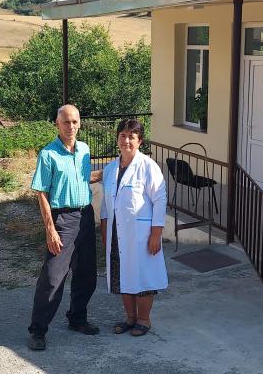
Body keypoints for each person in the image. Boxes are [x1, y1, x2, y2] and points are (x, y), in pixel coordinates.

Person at [27, 104, 103, 351]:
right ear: (57, 124)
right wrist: (50, 229)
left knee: (86, 274)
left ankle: (77, 319)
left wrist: (110, 171)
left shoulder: (84, 150)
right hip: (63, 221)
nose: (71, 126)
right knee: (52, 278)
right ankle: (38, 330)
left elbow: (82, 177)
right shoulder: (48, 154)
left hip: (86, 216)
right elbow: (42, 193)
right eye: (66, 122)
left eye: (75, 122)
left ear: (80, 123)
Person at [99, 119, 167, 337]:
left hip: (142, 235)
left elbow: (160, 199)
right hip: (116, 233)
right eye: (122, 135)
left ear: (140, 141)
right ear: (117, 138)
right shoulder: (110, 169)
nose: (126, 140)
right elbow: (106, 205)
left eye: (131, 136)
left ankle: (144, 320)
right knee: (122, 275)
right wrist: (104, 232)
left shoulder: (148, 166)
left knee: (143, 276)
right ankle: (129, 318)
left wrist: (156, 233)